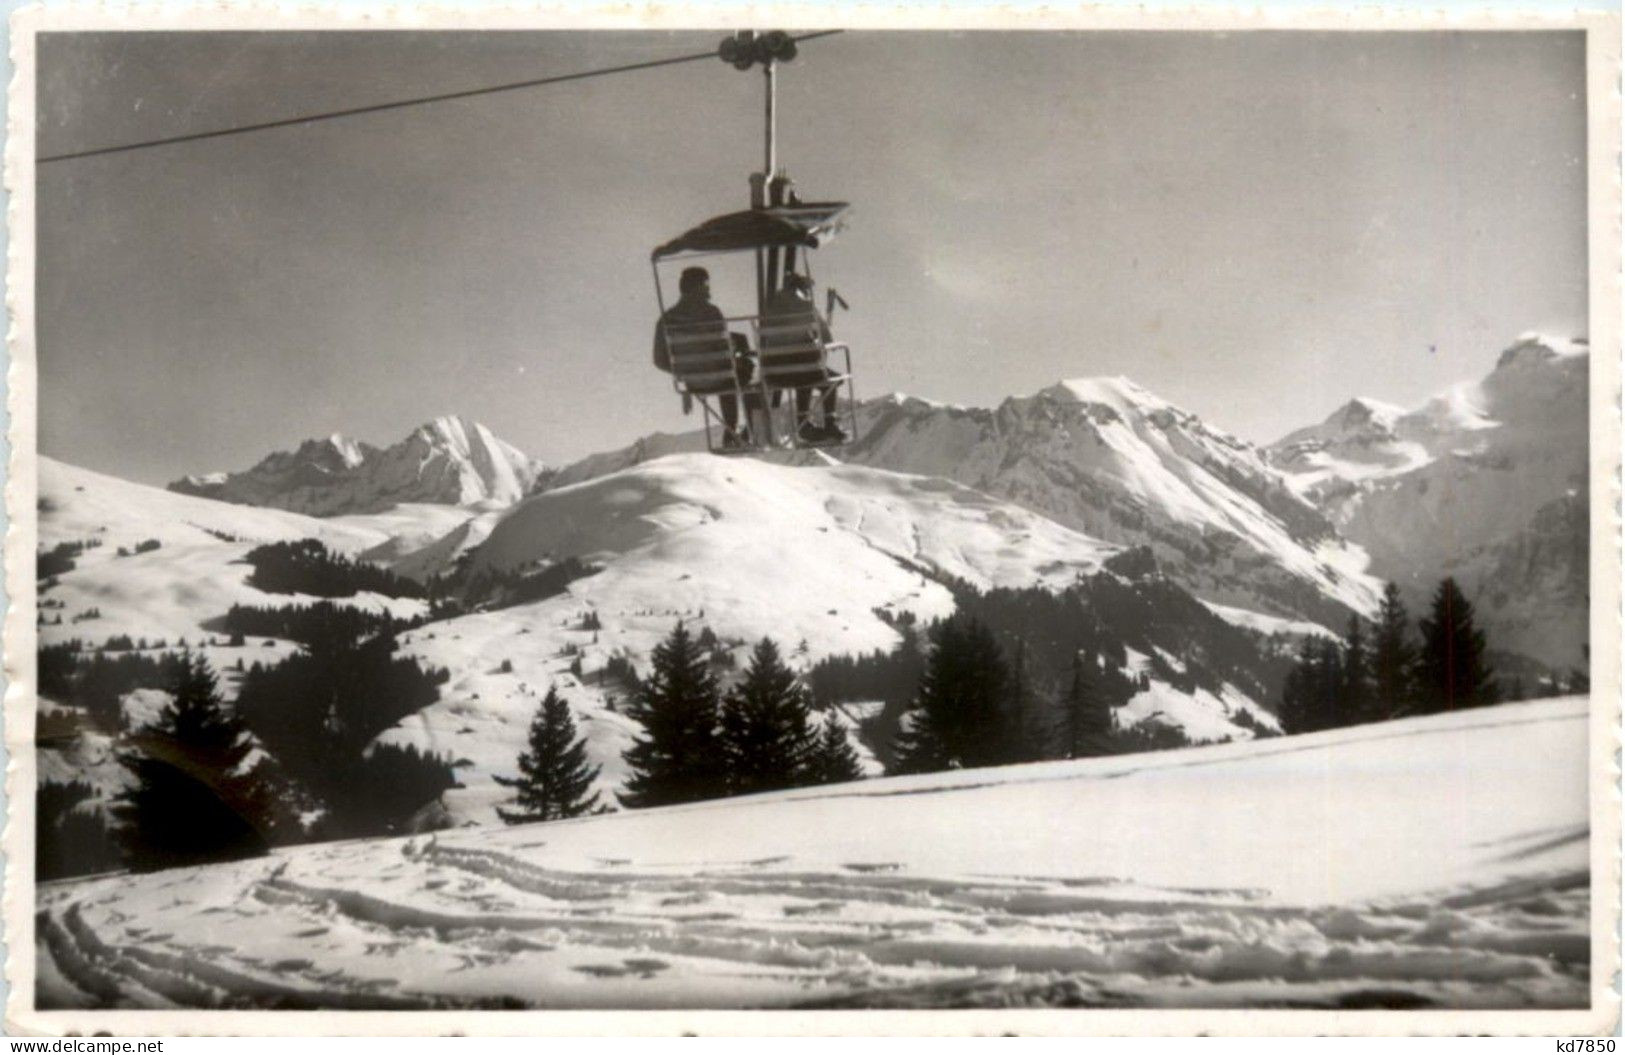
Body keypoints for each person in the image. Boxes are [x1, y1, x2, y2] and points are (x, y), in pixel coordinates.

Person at [653, 266, 752, 448]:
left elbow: (659, 360)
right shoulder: (712, 312)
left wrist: (683, 374)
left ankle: (733, 432)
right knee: (748, 371)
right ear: (697, 287)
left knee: (728, 372)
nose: (709, 290)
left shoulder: (666, 319)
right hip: (722, 378)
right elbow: (722, 350)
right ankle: (741, 430)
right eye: (706, 285)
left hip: (694, 382)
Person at [759, 272, 844, 443]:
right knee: (830, 380)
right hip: (805, 371)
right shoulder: (807, 307)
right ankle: (829, 424)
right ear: (801, 288)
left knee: (804, 372)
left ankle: (805, 426)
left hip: (775, 373)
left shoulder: (769, 311)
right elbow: (827, 340)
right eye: (807, 288)